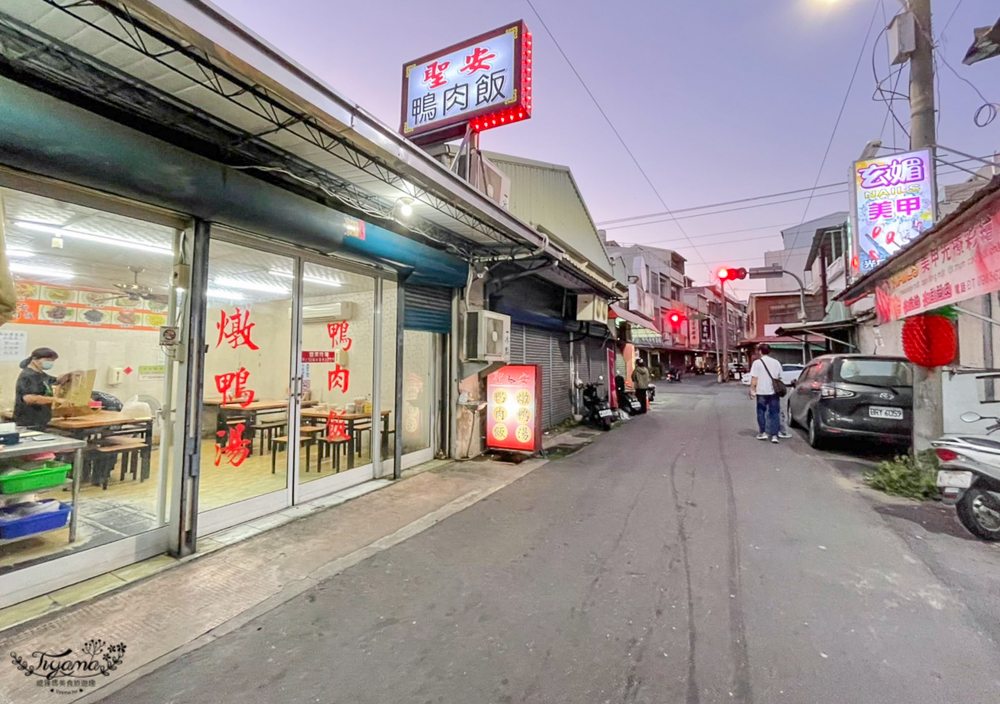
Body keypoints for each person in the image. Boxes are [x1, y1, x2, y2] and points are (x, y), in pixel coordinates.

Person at [14, 347, 63, 430]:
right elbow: (29, 398)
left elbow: (55, 381)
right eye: (47, 360)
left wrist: (69, 376)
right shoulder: (28, 375)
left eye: (52, 361)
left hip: (40, 420)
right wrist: (55, 400)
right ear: (35, 359)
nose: (50, 363)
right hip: (29, 421)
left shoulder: (40, 374)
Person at [749, 344, 783, 444]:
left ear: (760, 351)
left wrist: (752, 390)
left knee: (761, 412)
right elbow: (780, 376)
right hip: (774, 392)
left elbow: (754, 378)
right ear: (769, 351)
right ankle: (774, 435)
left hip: (761, 392)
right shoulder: (776, 362)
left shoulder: (757, 363)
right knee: (774, 413)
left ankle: (762, 433)